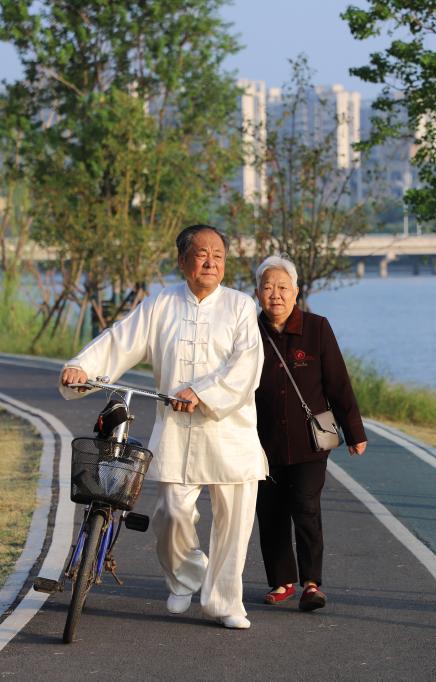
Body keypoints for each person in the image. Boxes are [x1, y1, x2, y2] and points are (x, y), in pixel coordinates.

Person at [59, 224, 267, 630]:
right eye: (202, 254)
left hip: (231, 430)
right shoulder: (161, 304)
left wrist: (202, 392)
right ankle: (185, 576)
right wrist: (82, 366)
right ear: (182, 260)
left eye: (218, 256)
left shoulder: (241, 305)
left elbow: (247, 365)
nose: (211, 262)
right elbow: (120, 340)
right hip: (177, 430)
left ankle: (226, 602)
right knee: (170, 513)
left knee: (235, 522)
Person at [253, 255, 367, 612]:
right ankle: (282, 581)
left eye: (282, 287)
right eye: (268, 288)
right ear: (257, 293)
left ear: (296, 291)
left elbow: (337, 382)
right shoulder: (248, 331)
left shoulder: (317, 328)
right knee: (270, 512)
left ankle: (311, 583)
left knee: (305, 506)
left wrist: (354, 431)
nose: (275, 295)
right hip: (261, 442)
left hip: (310, 442)